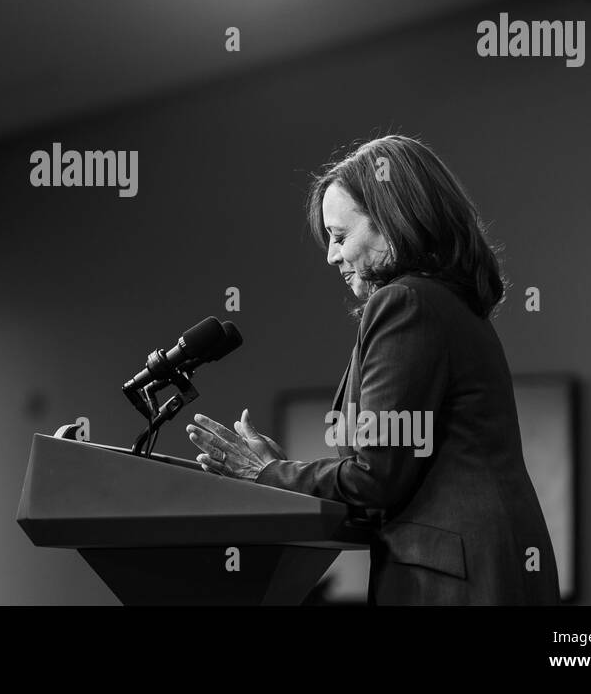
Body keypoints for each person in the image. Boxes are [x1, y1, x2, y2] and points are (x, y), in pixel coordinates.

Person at [187, 134, 560, 605]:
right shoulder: (445, 304)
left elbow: (376, 477)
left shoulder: (406, 303)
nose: (331, 256)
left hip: (454, 581)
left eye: (341, 237)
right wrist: (281, 473)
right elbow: (389, 475)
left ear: (393, 221)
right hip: (485, 566)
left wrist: (267, 473)